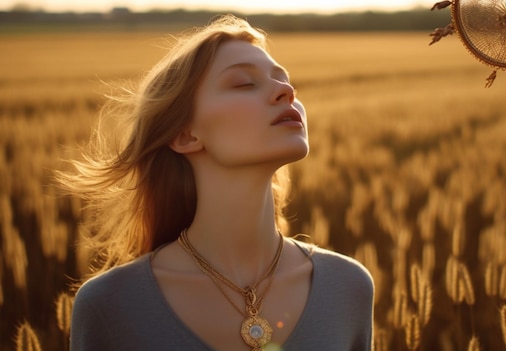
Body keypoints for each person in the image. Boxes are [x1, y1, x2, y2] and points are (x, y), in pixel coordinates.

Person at [59, 14, 374, 351]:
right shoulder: (111, 305)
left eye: (285, 81)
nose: (286, 91)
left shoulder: (349, 287)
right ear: (185, 135)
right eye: (243, 83)